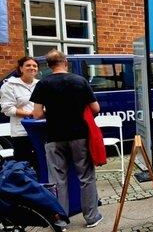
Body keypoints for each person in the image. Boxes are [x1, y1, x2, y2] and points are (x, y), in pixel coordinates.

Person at [30, 50, 103, 228]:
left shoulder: (42, 84)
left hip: (54, 137)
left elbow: (37, 114)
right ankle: (92, 217)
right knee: (86, 177)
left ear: (48, 65)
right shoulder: (80, 81)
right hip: (79, 136)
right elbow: (95, 109)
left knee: (57, 179)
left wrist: (54, 112)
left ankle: (61, 220)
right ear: (66, 62)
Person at [0, 56, 40, 175]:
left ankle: (44, 189)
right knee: (23, 163)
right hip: (21, 130)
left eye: (34, 66)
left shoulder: (40, 84)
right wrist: (31, 113)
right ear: (21, 68)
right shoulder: (9, 85)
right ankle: (25, 189)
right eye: (28, 65)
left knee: (41, 162)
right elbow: (7, 109)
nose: (31, 68)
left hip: (40, 130)